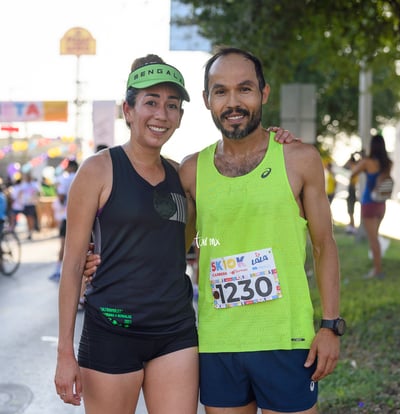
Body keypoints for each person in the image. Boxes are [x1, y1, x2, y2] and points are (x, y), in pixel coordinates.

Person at [84, 47, 342, 414]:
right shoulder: (190, 171)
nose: (233, 102)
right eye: (221, 91)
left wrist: (330, 325)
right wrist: (96, 259)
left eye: (245, 89)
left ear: (263, 93)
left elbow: (324, 245)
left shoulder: (299, 159)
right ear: (207, 100)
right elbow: (166, 238)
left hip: (287, 340)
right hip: (217, 344)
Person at [53, 55, 200, 414]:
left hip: (175, 331)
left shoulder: (182, 176)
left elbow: (180, 248)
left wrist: (274, 139)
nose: (161, 114)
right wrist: (64, 353)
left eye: (172, 105)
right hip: (112, 330)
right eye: (151, 102)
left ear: (180, 117)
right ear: (128, 110)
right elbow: (72, 265)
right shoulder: (98, 170)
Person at [350, 134, 392, 279]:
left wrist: (359, 161)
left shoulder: (367, 162)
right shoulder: (388, 163)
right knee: (375, 237)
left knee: (373, 239)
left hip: (369, 204)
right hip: (381, 205)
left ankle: (377, 271)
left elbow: (352, 173)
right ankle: (377, 266)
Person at [49, 160, 79, 282]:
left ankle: (58, 271)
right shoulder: (84, 176)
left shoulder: (65, 179)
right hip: (83, 216)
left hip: (68, 216)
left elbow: (61, 198)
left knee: (63, 245)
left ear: (70, 168)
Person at [343, 152, 360, 234]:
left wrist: (353, 155)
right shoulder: (355, 166)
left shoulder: (355, 166)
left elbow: (345, 165)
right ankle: (351, 226)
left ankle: (352, 227)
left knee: (350, 209)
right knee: (350, 210)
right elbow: (345, 166)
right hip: (352, 189)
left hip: (352, 189)